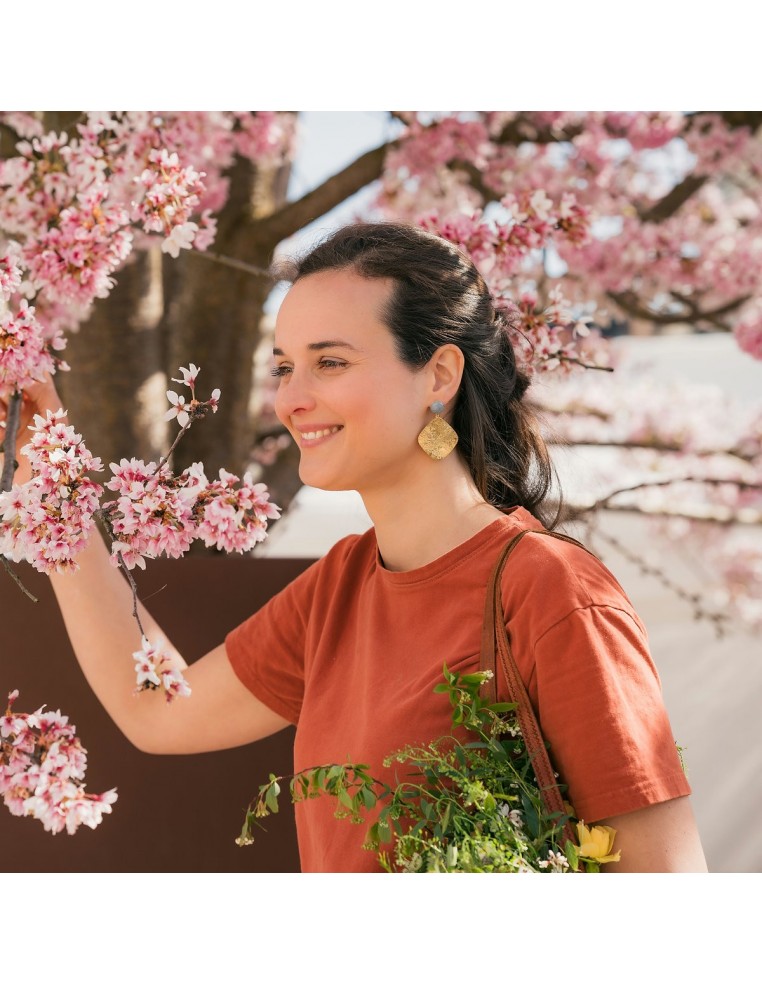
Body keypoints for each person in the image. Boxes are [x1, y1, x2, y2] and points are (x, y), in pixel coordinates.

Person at [1, 222, 707, 873]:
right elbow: (158, 708)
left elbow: (667, 888)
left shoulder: (551, 592)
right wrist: (48, 474)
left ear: (438, 377)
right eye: (284, 367)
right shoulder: (340, 586)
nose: (291, 399)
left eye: (330, 362)